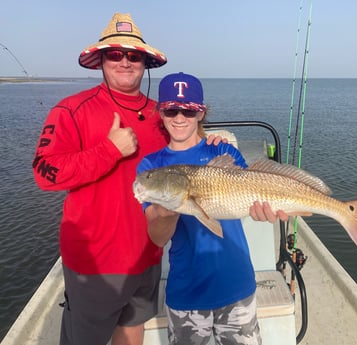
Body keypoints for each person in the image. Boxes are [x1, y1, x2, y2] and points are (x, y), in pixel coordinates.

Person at [32, 13, 171, 345]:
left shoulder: (162, 115)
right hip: (96, 263)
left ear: (145, 63)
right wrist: (109, 149)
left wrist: (213, 140)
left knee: (131, 332)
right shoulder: (71, 109)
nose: (125, 61)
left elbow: (187, 156)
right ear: (101, 61)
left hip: (147, 256)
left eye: (134, 55)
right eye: (115, 54)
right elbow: (44, 173)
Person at [136, 72, 287, 345]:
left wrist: (265, 211)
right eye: (171, 110)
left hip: (237, 285)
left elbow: (250, 194)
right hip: (187, 295)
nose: (180, 118)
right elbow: (158, 238)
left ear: (201, 113)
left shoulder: (222, 152)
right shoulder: (151, 167)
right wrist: (169, 207)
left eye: (189, 110)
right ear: (161, 111)